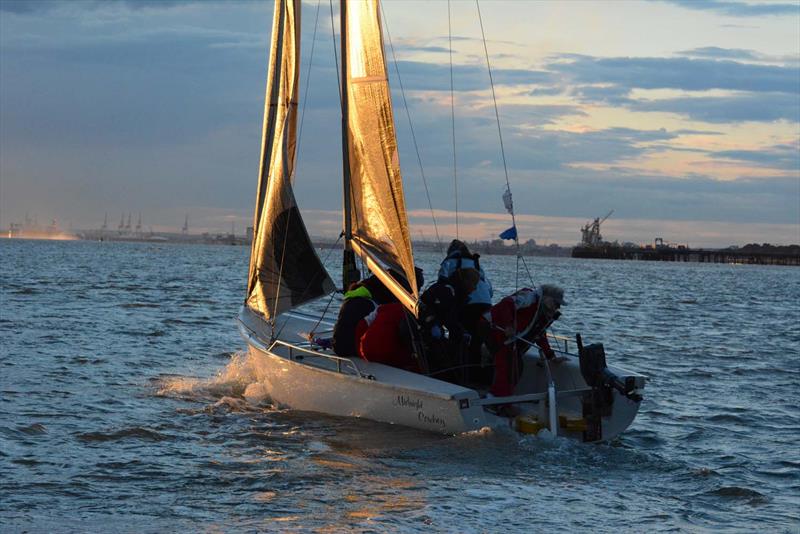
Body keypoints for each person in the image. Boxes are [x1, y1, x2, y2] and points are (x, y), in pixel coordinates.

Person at [481, 284, 565, 399]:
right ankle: (495, 399)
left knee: (515, 366)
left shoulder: (541, 313)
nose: (557, 308)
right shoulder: (529, 297)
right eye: (556, 304)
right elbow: (507, 303)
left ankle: (500, 398)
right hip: (491, 327)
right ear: (548, 299)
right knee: (509, 364)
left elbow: (540, 335)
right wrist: (509, 324)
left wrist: (550, 355)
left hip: (505, 335)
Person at [331, 267, 423, 358]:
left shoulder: (359, 293)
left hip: (342, 347)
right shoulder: (377, 305)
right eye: (413, 292)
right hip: (357, 354)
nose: (413, 296)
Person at [436, 240, 494, 383]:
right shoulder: (476, 264)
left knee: (459, 336)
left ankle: (458, 374)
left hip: (467, 304)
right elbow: (490, 289)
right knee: (477, 340)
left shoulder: (450, 262)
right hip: (486, 305)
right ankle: (477, 376)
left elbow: (441, 284)